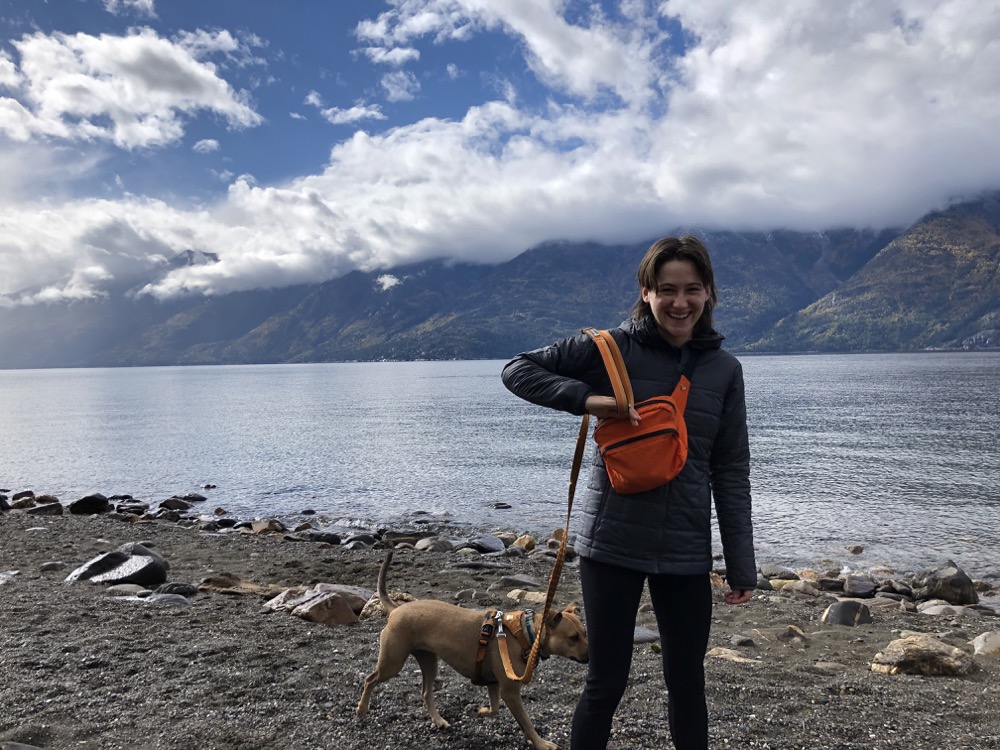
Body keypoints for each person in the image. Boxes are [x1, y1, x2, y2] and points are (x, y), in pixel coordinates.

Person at [501, 235, 756, 750]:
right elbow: (517, 370)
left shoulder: (725, 370)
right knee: (605, 682)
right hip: (611, 543)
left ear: (709, 293)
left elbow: (730, 469)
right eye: (666, 290)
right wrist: (588, 400)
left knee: (688, 684)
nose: (679, 302)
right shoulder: (609, 347)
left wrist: (741, 563)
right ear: (646, 292)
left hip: (684, 548)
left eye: (691, 290)